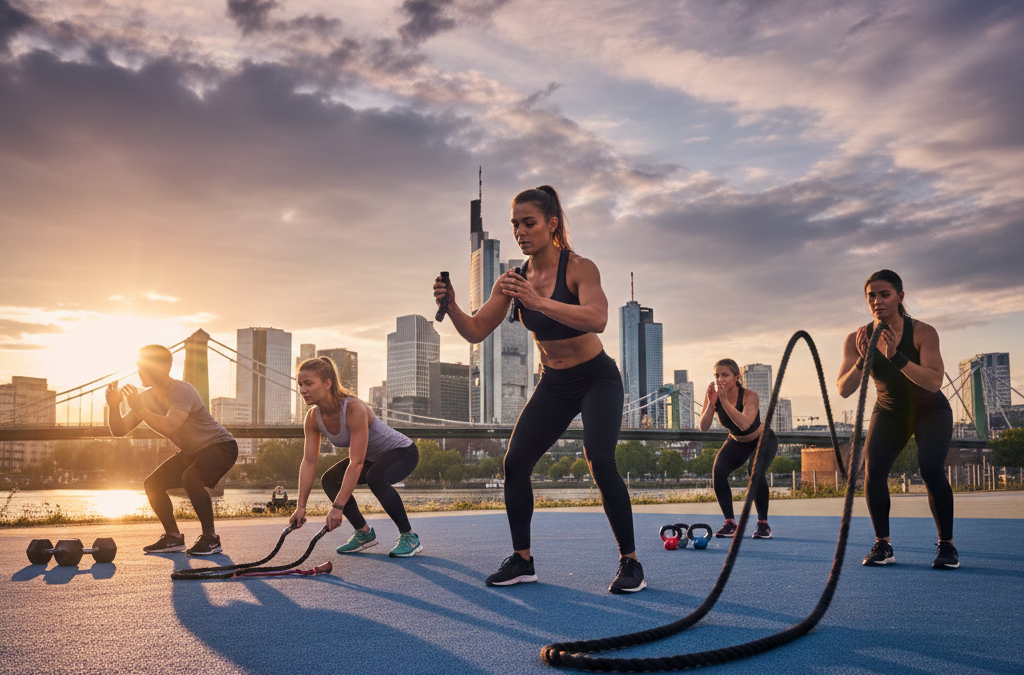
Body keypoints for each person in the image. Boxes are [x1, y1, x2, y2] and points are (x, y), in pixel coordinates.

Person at [433, 185, 644, 594]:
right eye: (515, 224)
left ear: (551, 224)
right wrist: (454, 306)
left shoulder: (580, 268)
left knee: (600, 460)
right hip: (555, 382)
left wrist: (538, 301)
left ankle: (631, 562)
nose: (520, 232)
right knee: (515, 463)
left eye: (528, 223)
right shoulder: (512, 281)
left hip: (597, 377)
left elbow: (598, 318)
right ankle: (522, 560)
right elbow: (476, 331)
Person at [837, 269, 958, 569]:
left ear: (900, 297)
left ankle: (947, 547)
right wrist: (864, 360)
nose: (877, 301)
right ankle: (883, 545)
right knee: (873, 471)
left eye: (885, 294)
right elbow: (843, 389)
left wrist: (896, 357)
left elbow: (933, 382)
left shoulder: (923, 332)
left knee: (930, 468)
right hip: (889, 410)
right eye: (871, 296)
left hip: (930, 409)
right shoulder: (857, 338)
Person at [106, 345, 238, 555]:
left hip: (221, 446)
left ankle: (211, 539)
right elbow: (119, 430)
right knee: (153, 484)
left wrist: (140, 408)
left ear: (162, 368)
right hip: (193, 451)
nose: (138, 371)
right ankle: (173, 538)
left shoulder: (182, 390)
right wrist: (114, 406)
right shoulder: (147, 397)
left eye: (143, 367)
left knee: (191, 478)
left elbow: (169, 425)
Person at [288, 357, 422, 558]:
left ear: (327, 384)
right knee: (329, 479)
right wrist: (301, 507)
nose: (302, 390)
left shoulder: (353, 408)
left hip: (403, 452)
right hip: (373, 457)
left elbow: (357, 462)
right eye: (300, 384)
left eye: (308, 384)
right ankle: (363, 533)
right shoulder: (312, 418)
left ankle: (410, 537)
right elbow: (309, 462)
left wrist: (337, 507)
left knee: (376, 477)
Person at [698, 359, 778, 539]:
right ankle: (730, 523)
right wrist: (712, 404)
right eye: (717, 375)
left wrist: (724, 402)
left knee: (755, 471)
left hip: (762, 438)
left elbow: (744, 424)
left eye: (725, 375)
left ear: (736, 377)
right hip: (737, 441)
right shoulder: (713, 396)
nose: (720, 379)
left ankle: (763, 524)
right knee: (718, 472)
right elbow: (703, 426)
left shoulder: (750, 396)